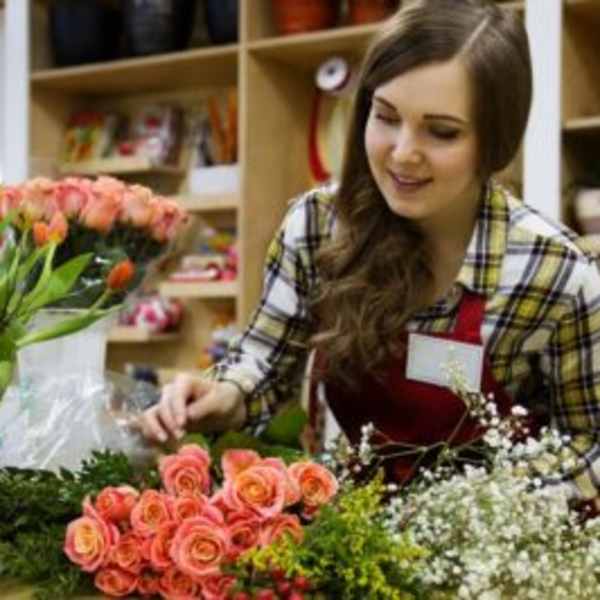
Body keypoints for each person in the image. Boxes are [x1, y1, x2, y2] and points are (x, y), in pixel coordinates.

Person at [140, 0, 600, 501]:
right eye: (386, 117)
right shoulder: (317, 227)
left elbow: (591, 442)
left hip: (499, 553)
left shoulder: (556, 273)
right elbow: (264, 362)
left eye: (441, 131)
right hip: (353, 535)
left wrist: (487, 510)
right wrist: (224, 394)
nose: (403, 152)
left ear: (497, 141)